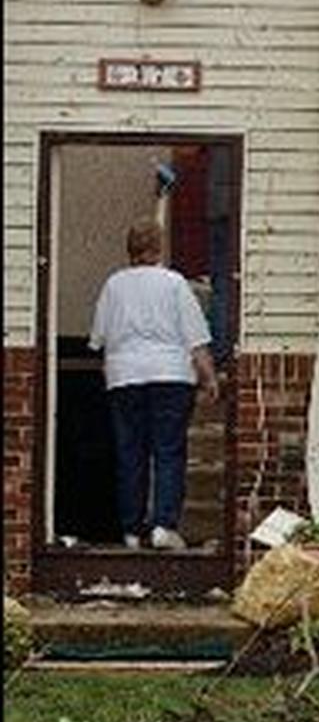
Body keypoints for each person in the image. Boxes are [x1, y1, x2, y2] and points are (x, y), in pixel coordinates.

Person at [89, 218, 219, 550]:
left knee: (130, 453)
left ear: (129, 249)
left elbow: (99, 338)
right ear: (158, 248)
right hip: (171, 376)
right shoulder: (174, 284)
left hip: (125, 376)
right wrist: (209, 377)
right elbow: (196, 340)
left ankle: (131, 530)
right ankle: (163, 525)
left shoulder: (113, 285)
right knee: (168, 450)